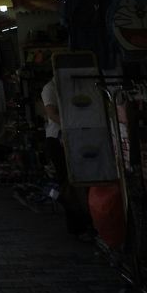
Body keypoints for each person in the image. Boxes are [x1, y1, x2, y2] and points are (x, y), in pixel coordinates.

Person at [41, 76, 92, 237]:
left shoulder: (69, 87)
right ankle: (76, 225)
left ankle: (85, 222)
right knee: (68, 183)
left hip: (73, 137)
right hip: (58, 139)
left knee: (77, 181)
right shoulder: (50, 88)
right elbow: (51, 113)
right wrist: (71, 125)